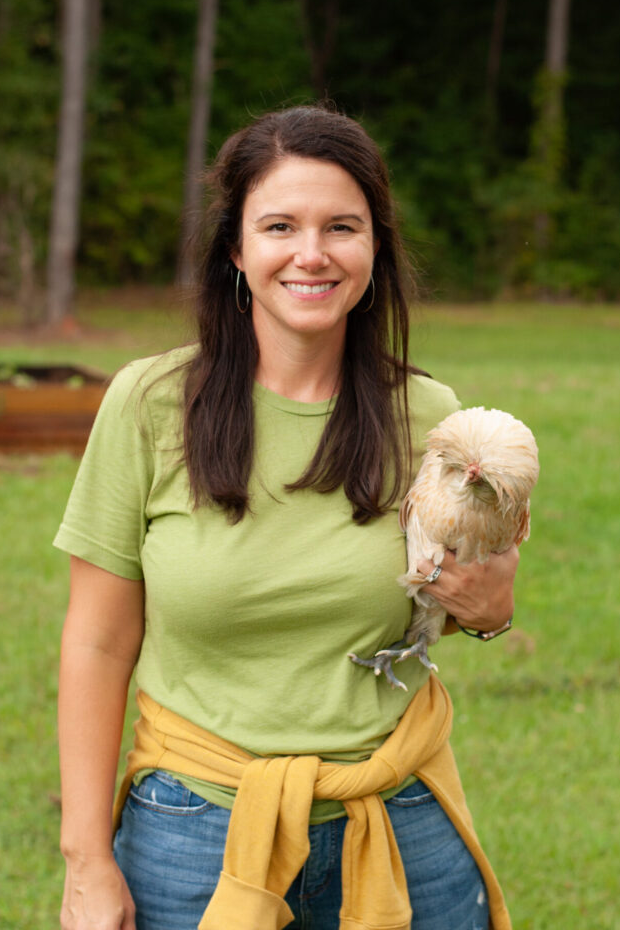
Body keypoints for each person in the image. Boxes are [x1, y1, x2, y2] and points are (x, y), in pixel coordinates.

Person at [56, 105, 518, 930]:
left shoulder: (434, 419)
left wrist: (485, 613)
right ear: (237, 248)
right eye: (279, 226)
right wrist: (87, 860)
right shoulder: (149, 404)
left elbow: (449, 599)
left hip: (397, 822)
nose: (312, 253)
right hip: (192, 832)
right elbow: (96, 641)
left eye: (342, 226)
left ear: (374, 247)